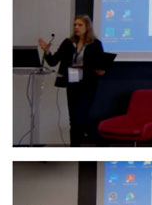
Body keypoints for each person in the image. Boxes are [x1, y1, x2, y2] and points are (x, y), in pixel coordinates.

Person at [38, 15, 105, 146]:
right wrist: (46, 51)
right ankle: (74, 150)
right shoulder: (68, 43)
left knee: (82, 119)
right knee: (73, 120)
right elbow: (53, 62)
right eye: (75, 25)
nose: (76, 27)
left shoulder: (95, 44)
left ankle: (101, 143)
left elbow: (101, 66)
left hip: (87, 84)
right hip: (72, 83)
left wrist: (101, 70)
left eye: (80, 25)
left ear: (87, 27)